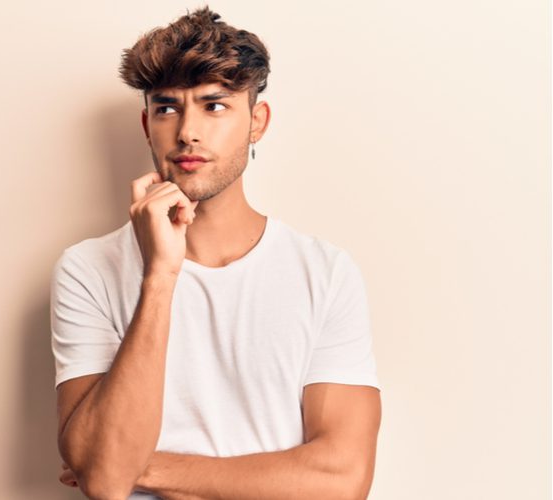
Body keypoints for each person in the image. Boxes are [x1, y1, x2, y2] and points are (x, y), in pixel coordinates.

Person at [50, 6, 382, 499]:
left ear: (257, 122)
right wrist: (160, 277)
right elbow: (103, 485)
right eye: (167, 108)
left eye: (215, 106)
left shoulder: (323, 272)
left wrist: (144, 468)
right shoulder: (87, 270)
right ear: (147, 125)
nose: (187, 132)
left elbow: (341, 480)